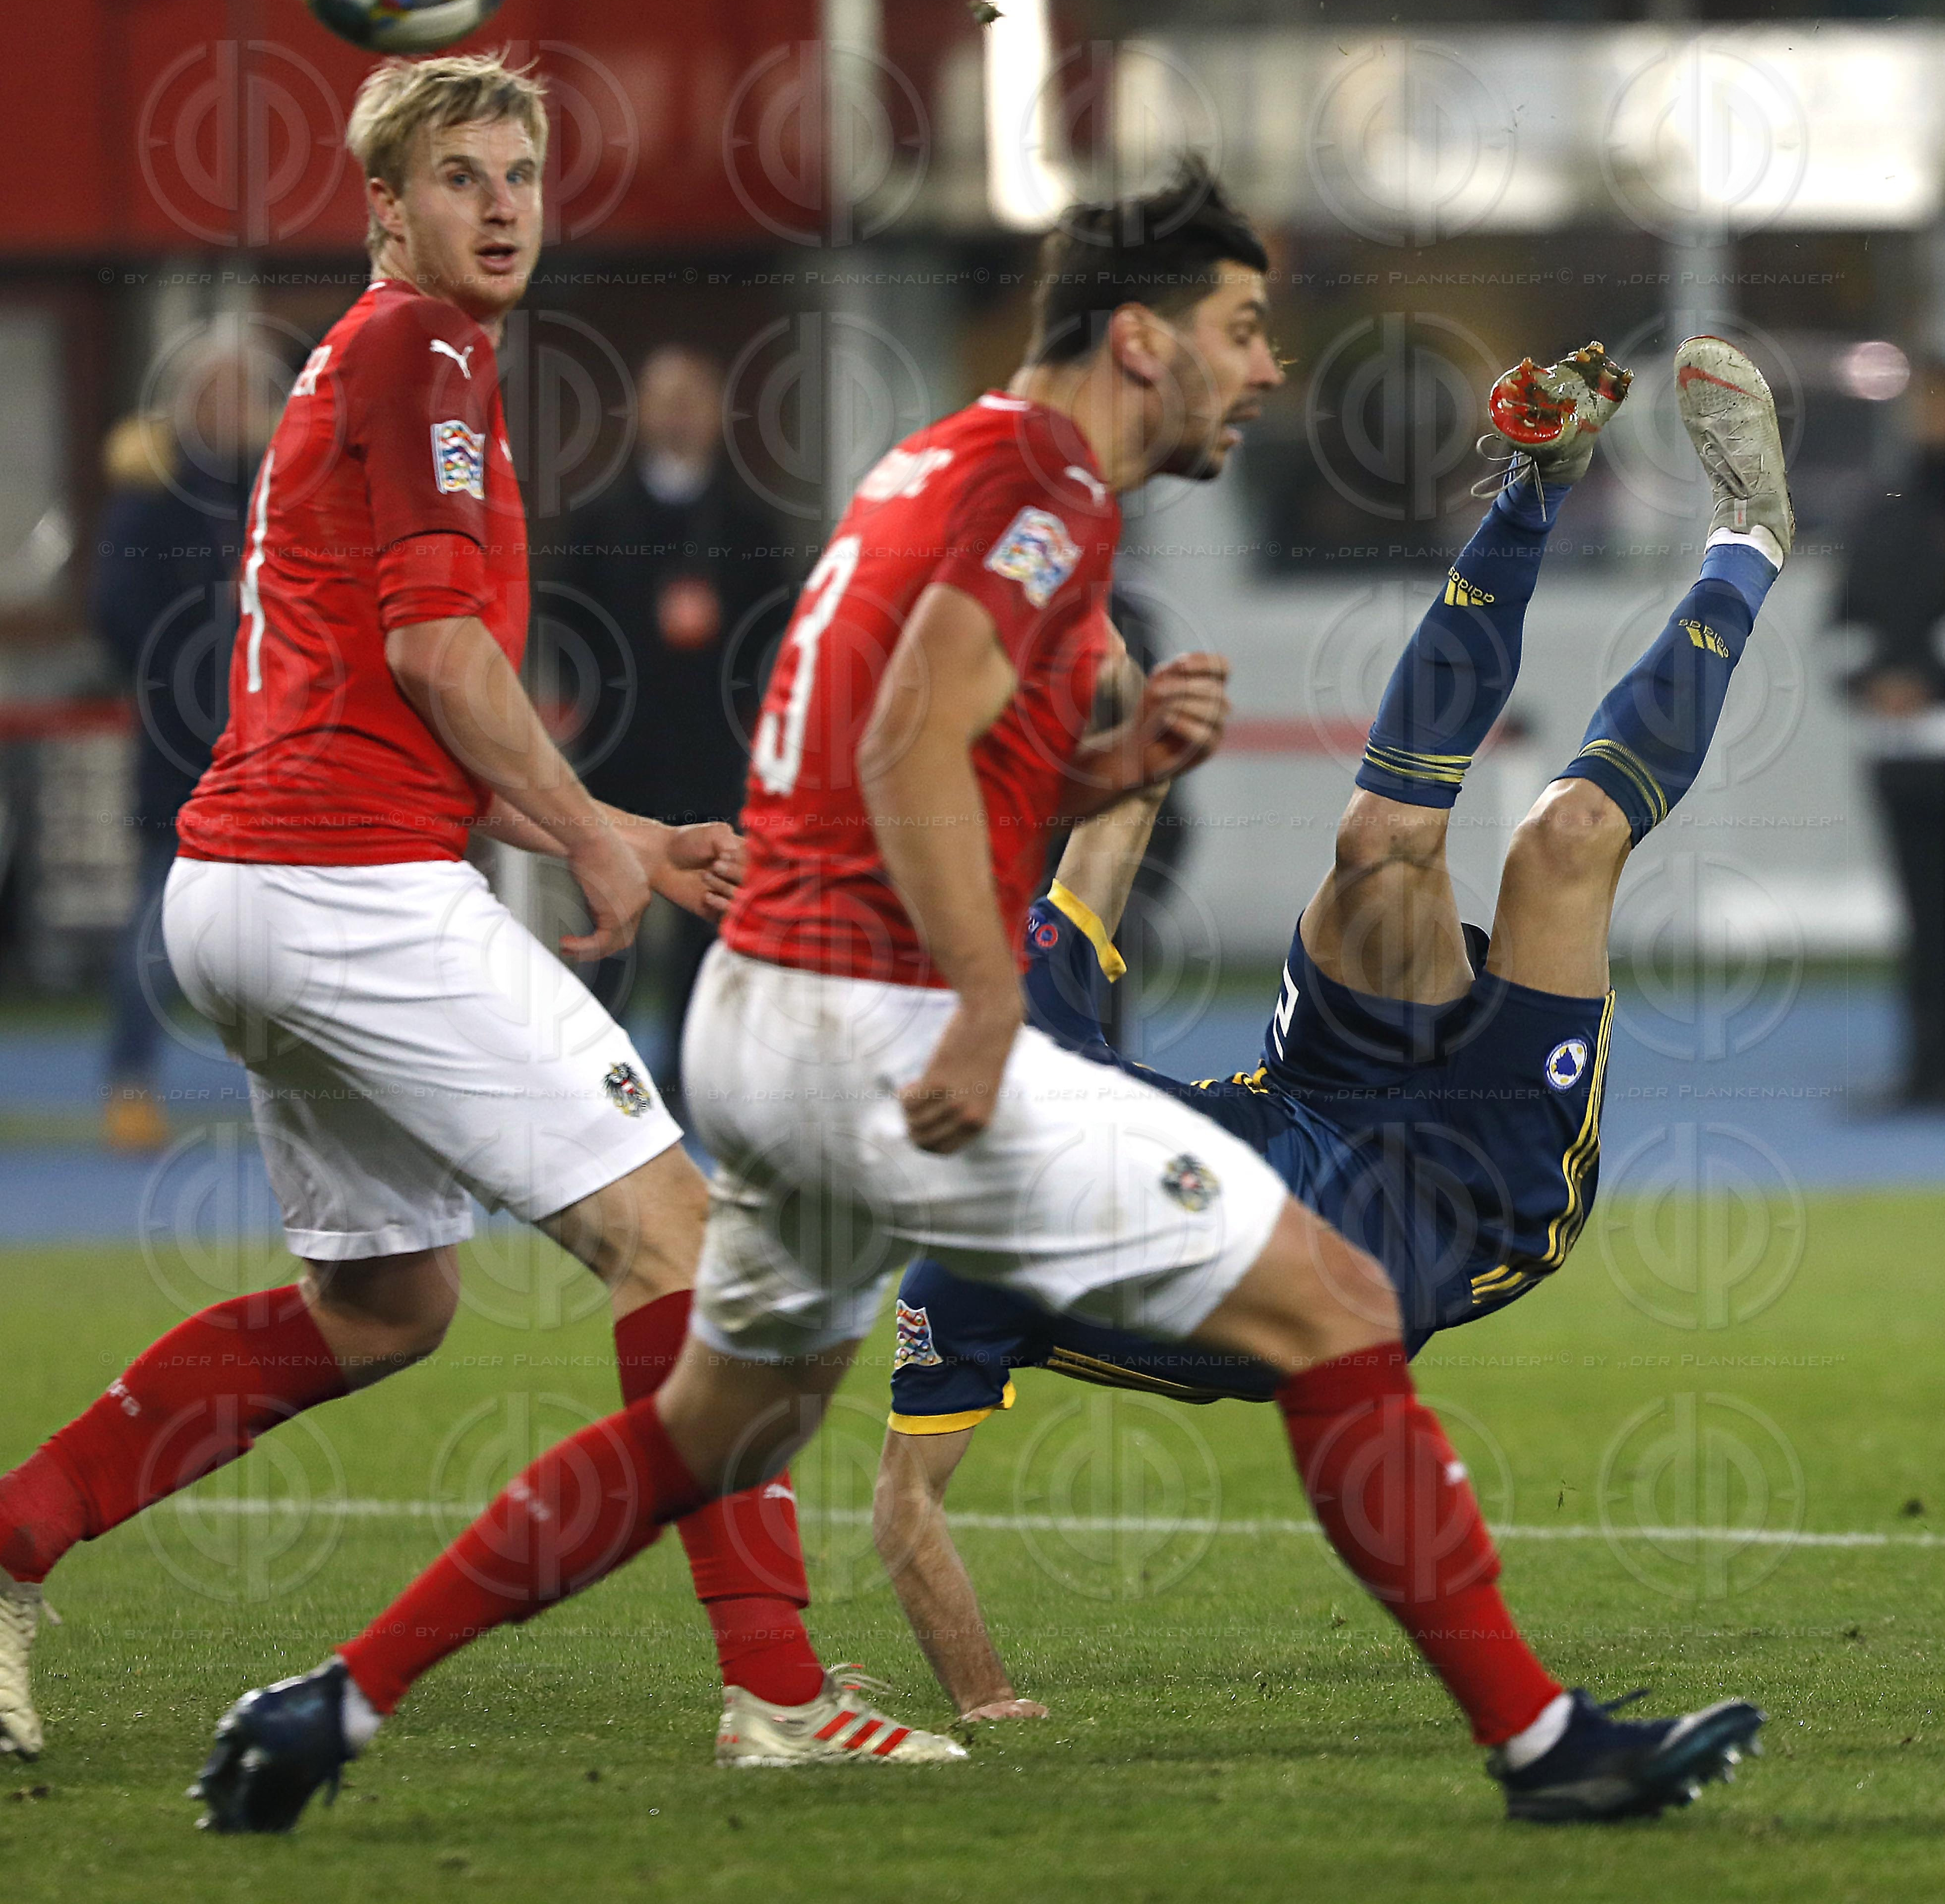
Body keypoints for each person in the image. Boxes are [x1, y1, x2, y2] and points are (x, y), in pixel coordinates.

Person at [192, 167, 1763, 1832]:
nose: (1264, 368)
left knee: (705, 1432)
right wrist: (983, 1007)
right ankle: (1543, 1747)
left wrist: (1108, 764)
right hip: (877, 1024)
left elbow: (919, 749)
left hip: (761, 1019)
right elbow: (904, 744)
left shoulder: (935, 458)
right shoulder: (1045, 486)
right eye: (1241, 330)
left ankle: (334, 1703)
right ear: (1143, 339)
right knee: (1336, 1311)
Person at [0, 53, 954, 1777]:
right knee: (687, 1244)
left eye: (522, 171)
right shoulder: (421, 348)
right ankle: (780, 1695)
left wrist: (615, 829)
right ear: (386, 209)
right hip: (340, 888)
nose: (503, 202)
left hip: (253, 886)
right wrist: (585, 841)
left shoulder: (379, 365)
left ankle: (9, 1544)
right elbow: (444, 655)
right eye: (461, 175)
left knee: (384, 1311)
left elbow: (405, 687)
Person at [870, 340, 1768, 1720]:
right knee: (1562, 842)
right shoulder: (966, 1280)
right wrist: (985, 1700)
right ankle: (1747, 550)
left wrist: (1059, 585)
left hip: (1315, 1090)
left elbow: (1117, 798)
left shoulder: (1020, 1000)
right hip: (1449, 1206)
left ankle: (1535, 486)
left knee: (1379, 844)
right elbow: (904, 1508)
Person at [537, 346, 794, 1101]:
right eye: (666, 398)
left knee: (706, 926)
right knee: (610, 912)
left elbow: (777, 636)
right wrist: (585, 711)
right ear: (642, 414)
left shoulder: (750, 527)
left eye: (694, 397)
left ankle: (694, 1076)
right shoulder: (598, 522)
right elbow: (564, 627)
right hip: (622, 755)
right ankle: (600, 1075)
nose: (680, 413)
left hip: (714, 758)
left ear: (716, 414)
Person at [89, 336, 264, 1151]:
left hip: (275, 757)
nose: (232, 411)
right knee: (155, 931)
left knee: (305, 932)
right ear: (190, 405)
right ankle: (131, 1083)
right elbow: (114, 609)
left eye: (245, 394)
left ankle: (321, 1096)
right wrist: (180, 685)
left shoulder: (279, 488)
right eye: (217, 394)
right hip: (177, 761)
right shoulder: (151, 496)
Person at [1835, 361, 1945, 1105]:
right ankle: (1926, 1070)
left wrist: (1930, 678)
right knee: (1923, 918)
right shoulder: (1882, 510)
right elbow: (1843, 626)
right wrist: (1876, 680)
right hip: (1903, 757)